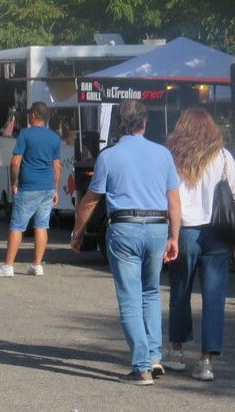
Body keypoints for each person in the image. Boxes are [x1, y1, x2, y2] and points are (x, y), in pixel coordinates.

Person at [71, 99, 181, 384]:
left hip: (124, 228)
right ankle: (154, 356)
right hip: (157, 226)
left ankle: (141, 367)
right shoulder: (163, 154)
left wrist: (78, 232)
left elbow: (90, 201)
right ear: (145, 122)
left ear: (119, 124)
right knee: (151, 292)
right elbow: (174, 200)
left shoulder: (109, 156)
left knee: (130, 297)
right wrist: (174, 236)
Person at [161, 108, 235, 382]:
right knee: (214, 297)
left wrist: (169, 234)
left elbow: (167, 198)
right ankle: (206, 361)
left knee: (180, 291)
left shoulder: (173, 156)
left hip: (184, 231)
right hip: (218, 234)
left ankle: (176, 352)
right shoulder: (223, 157)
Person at [0, 102, 61, 278]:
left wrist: (13, 183)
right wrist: (55, 189)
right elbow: (57, 165)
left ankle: (8, 266)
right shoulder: (54, 137)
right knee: (42, 226)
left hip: (29, 186)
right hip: (47, 186)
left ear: (33, 115)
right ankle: (37, 265)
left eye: (29, 113)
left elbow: (15, 162)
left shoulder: (25, 134)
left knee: (17, 226)